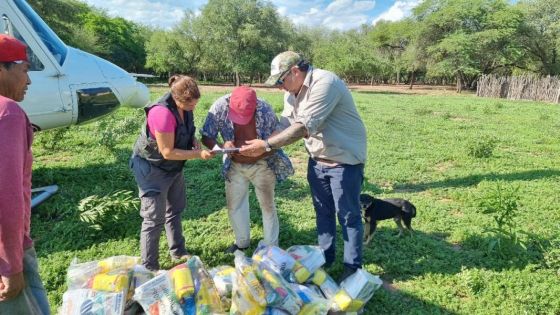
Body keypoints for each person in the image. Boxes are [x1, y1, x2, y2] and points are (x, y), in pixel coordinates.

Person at [241, 51, 367, 280]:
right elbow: (286, 124)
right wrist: (259, 143)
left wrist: (266, 145)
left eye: (281, 81)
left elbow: (302, 128)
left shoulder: (325, 82)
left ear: (295, 72)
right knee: (323, 212)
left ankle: (353, 269)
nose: (280, 87)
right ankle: (325, 259)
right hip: (318, 159)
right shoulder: (292, 92)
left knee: (348, 216)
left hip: (344, 161)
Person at [130, 75, 213, 271]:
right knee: (153, 218)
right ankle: (149, 268)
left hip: (173, 167)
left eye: (196, 102)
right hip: (152, 168)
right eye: (190, 103)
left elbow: (186, 130)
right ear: (178, 99)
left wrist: (193, 140)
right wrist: (198, 153)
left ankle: (178, 251)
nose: (194, 107)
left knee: (175, 209)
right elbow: (167, 151)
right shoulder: (162, 113)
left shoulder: (185, 107)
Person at [200, 86, 293, 253]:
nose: (241, 118)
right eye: (238, 115)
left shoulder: (265, 109)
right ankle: (242, 242)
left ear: (255, 105)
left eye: (246, 115)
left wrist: (263, 148)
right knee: (235, 205)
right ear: (230, 104)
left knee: (267, 205)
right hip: (234, 164)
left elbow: (276, 139)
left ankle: (271, 247)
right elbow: (207, 135)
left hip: (262, 164)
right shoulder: (219, 107)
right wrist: (221, 146)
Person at [0, 34, 51, 314]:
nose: (28, 81)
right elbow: (6, 196)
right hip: (7, 252)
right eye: (24, 70)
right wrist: (11, 265)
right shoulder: (8, 113)